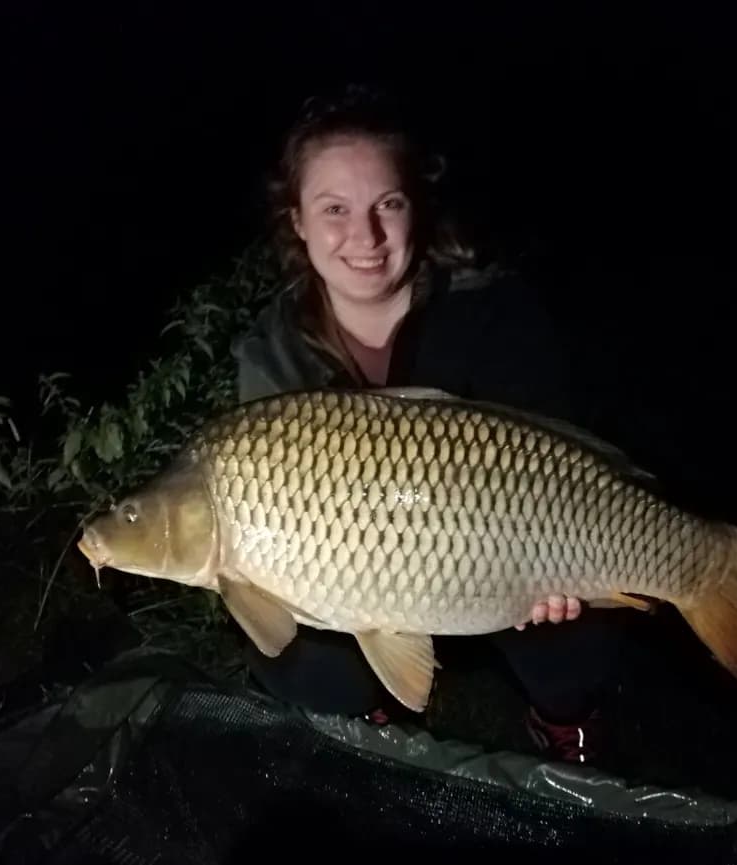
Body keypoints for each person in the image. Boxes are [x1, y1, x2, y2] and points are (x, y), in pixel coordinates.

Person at [229, 83, 647, 765]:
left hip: (502, 556)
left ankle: (567, 720)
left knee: (581, 618)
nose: (364, 237)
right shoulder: (271, 352)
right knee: (288, 642)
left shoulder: (496, 312)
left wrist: (555, 567)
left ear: (415, 205)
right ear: (297, 219)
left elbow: (565, 460)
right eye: (334, 209)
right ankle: (373, 714)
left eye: (387, 204)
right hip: (367, 569)